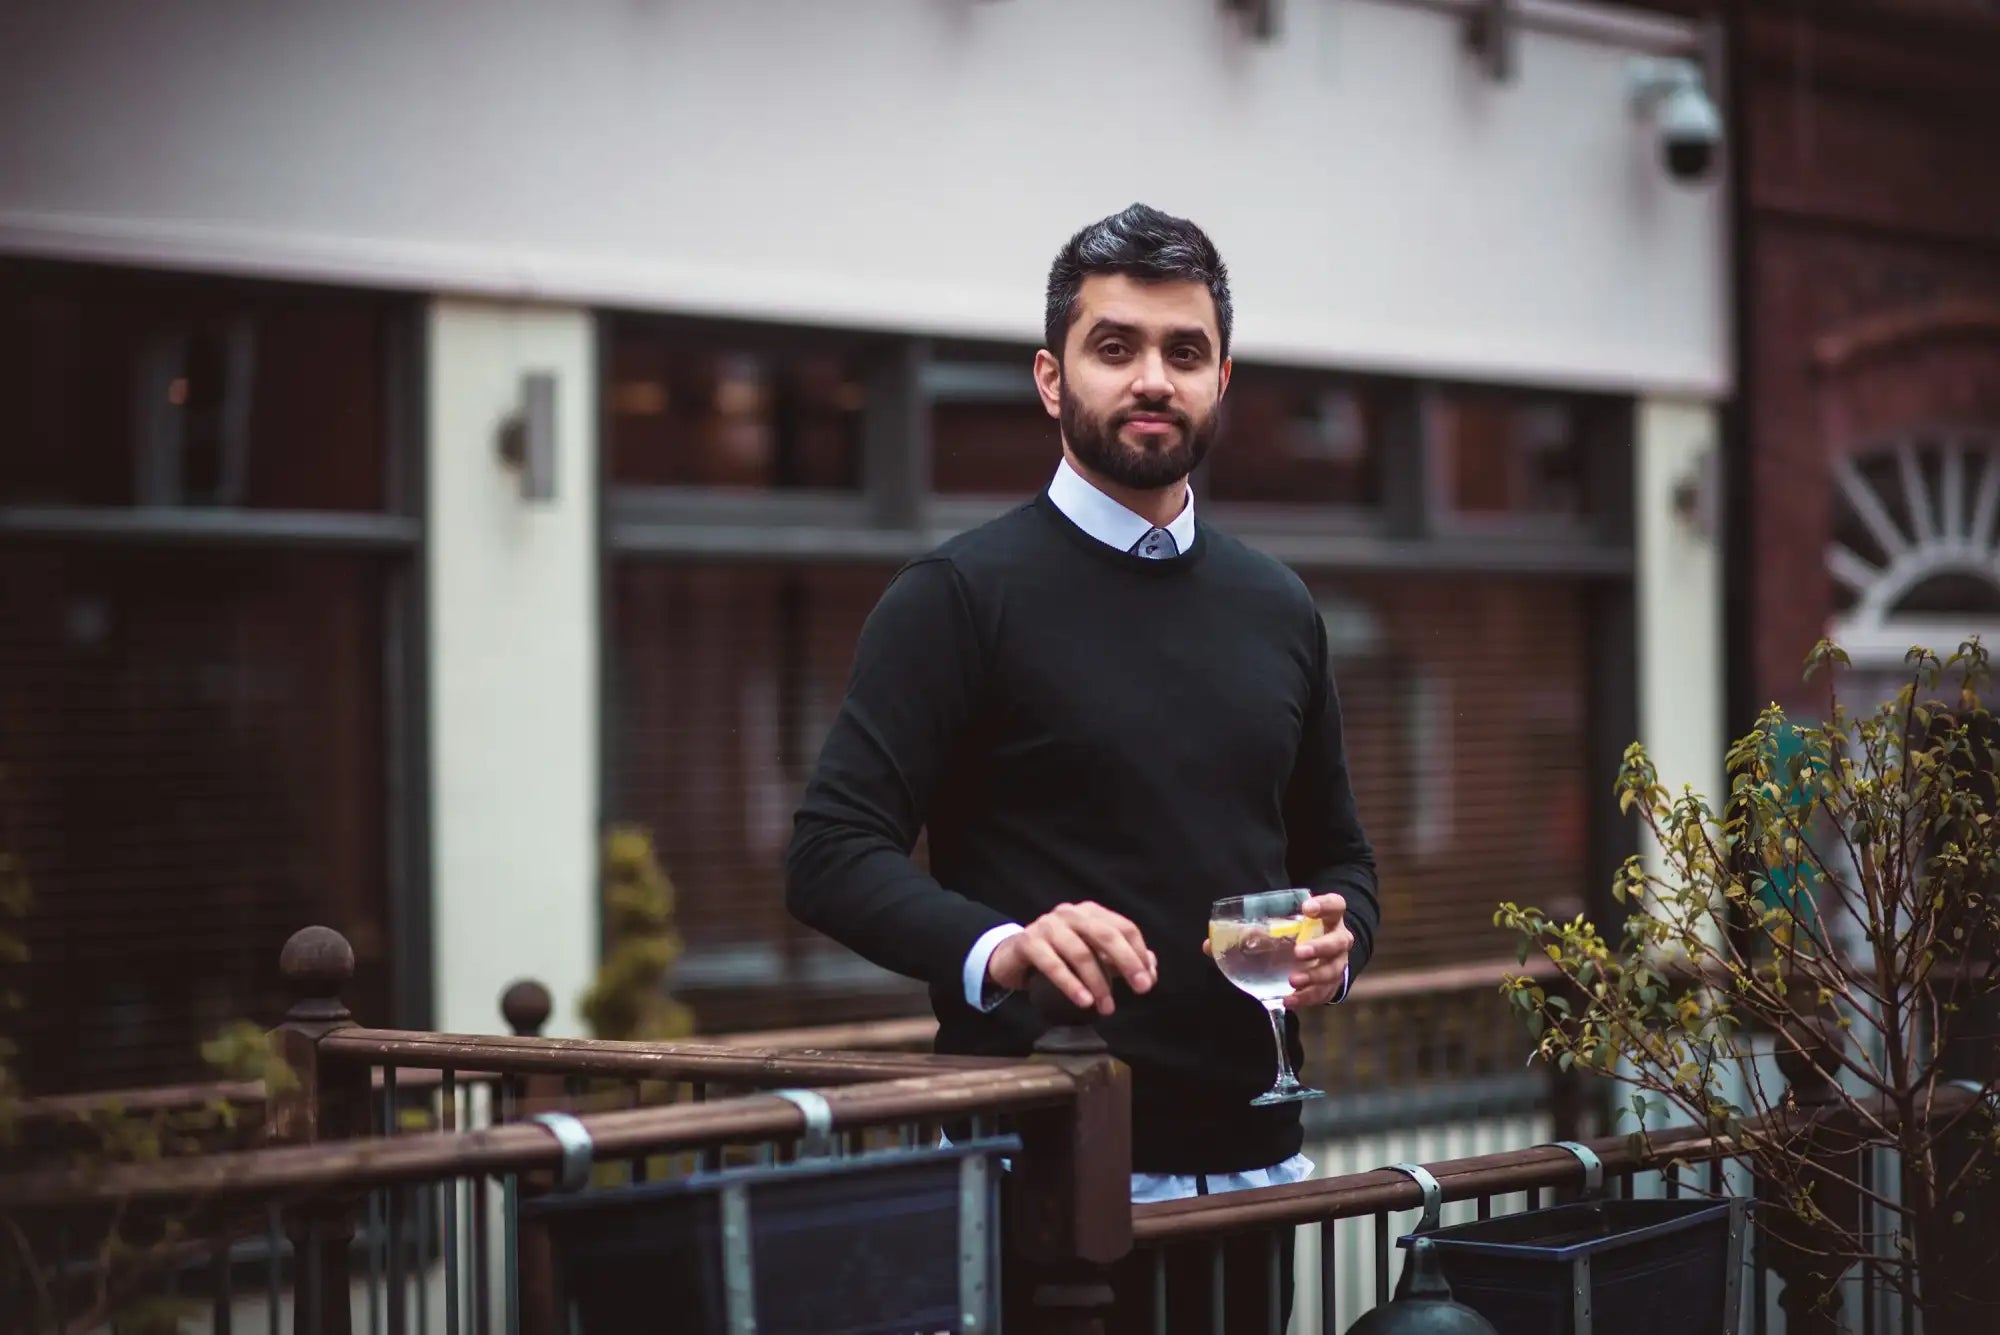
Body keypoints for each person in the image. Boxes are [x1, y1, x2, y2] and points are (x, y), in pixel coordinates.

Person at [786, 202, 1380, 1331]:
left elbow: (1339, 858)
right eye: (1116, 348)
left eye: (1182, 352)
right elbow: (826, 854)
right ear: (1053, 381)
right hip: (1037, 1168)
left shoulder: (1279, 606)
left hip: (1255, 1174)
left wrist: (1340, 941)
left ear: (1220, 381)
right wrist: (1004, 947)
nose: (1151, 378)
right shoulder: (958, 597)